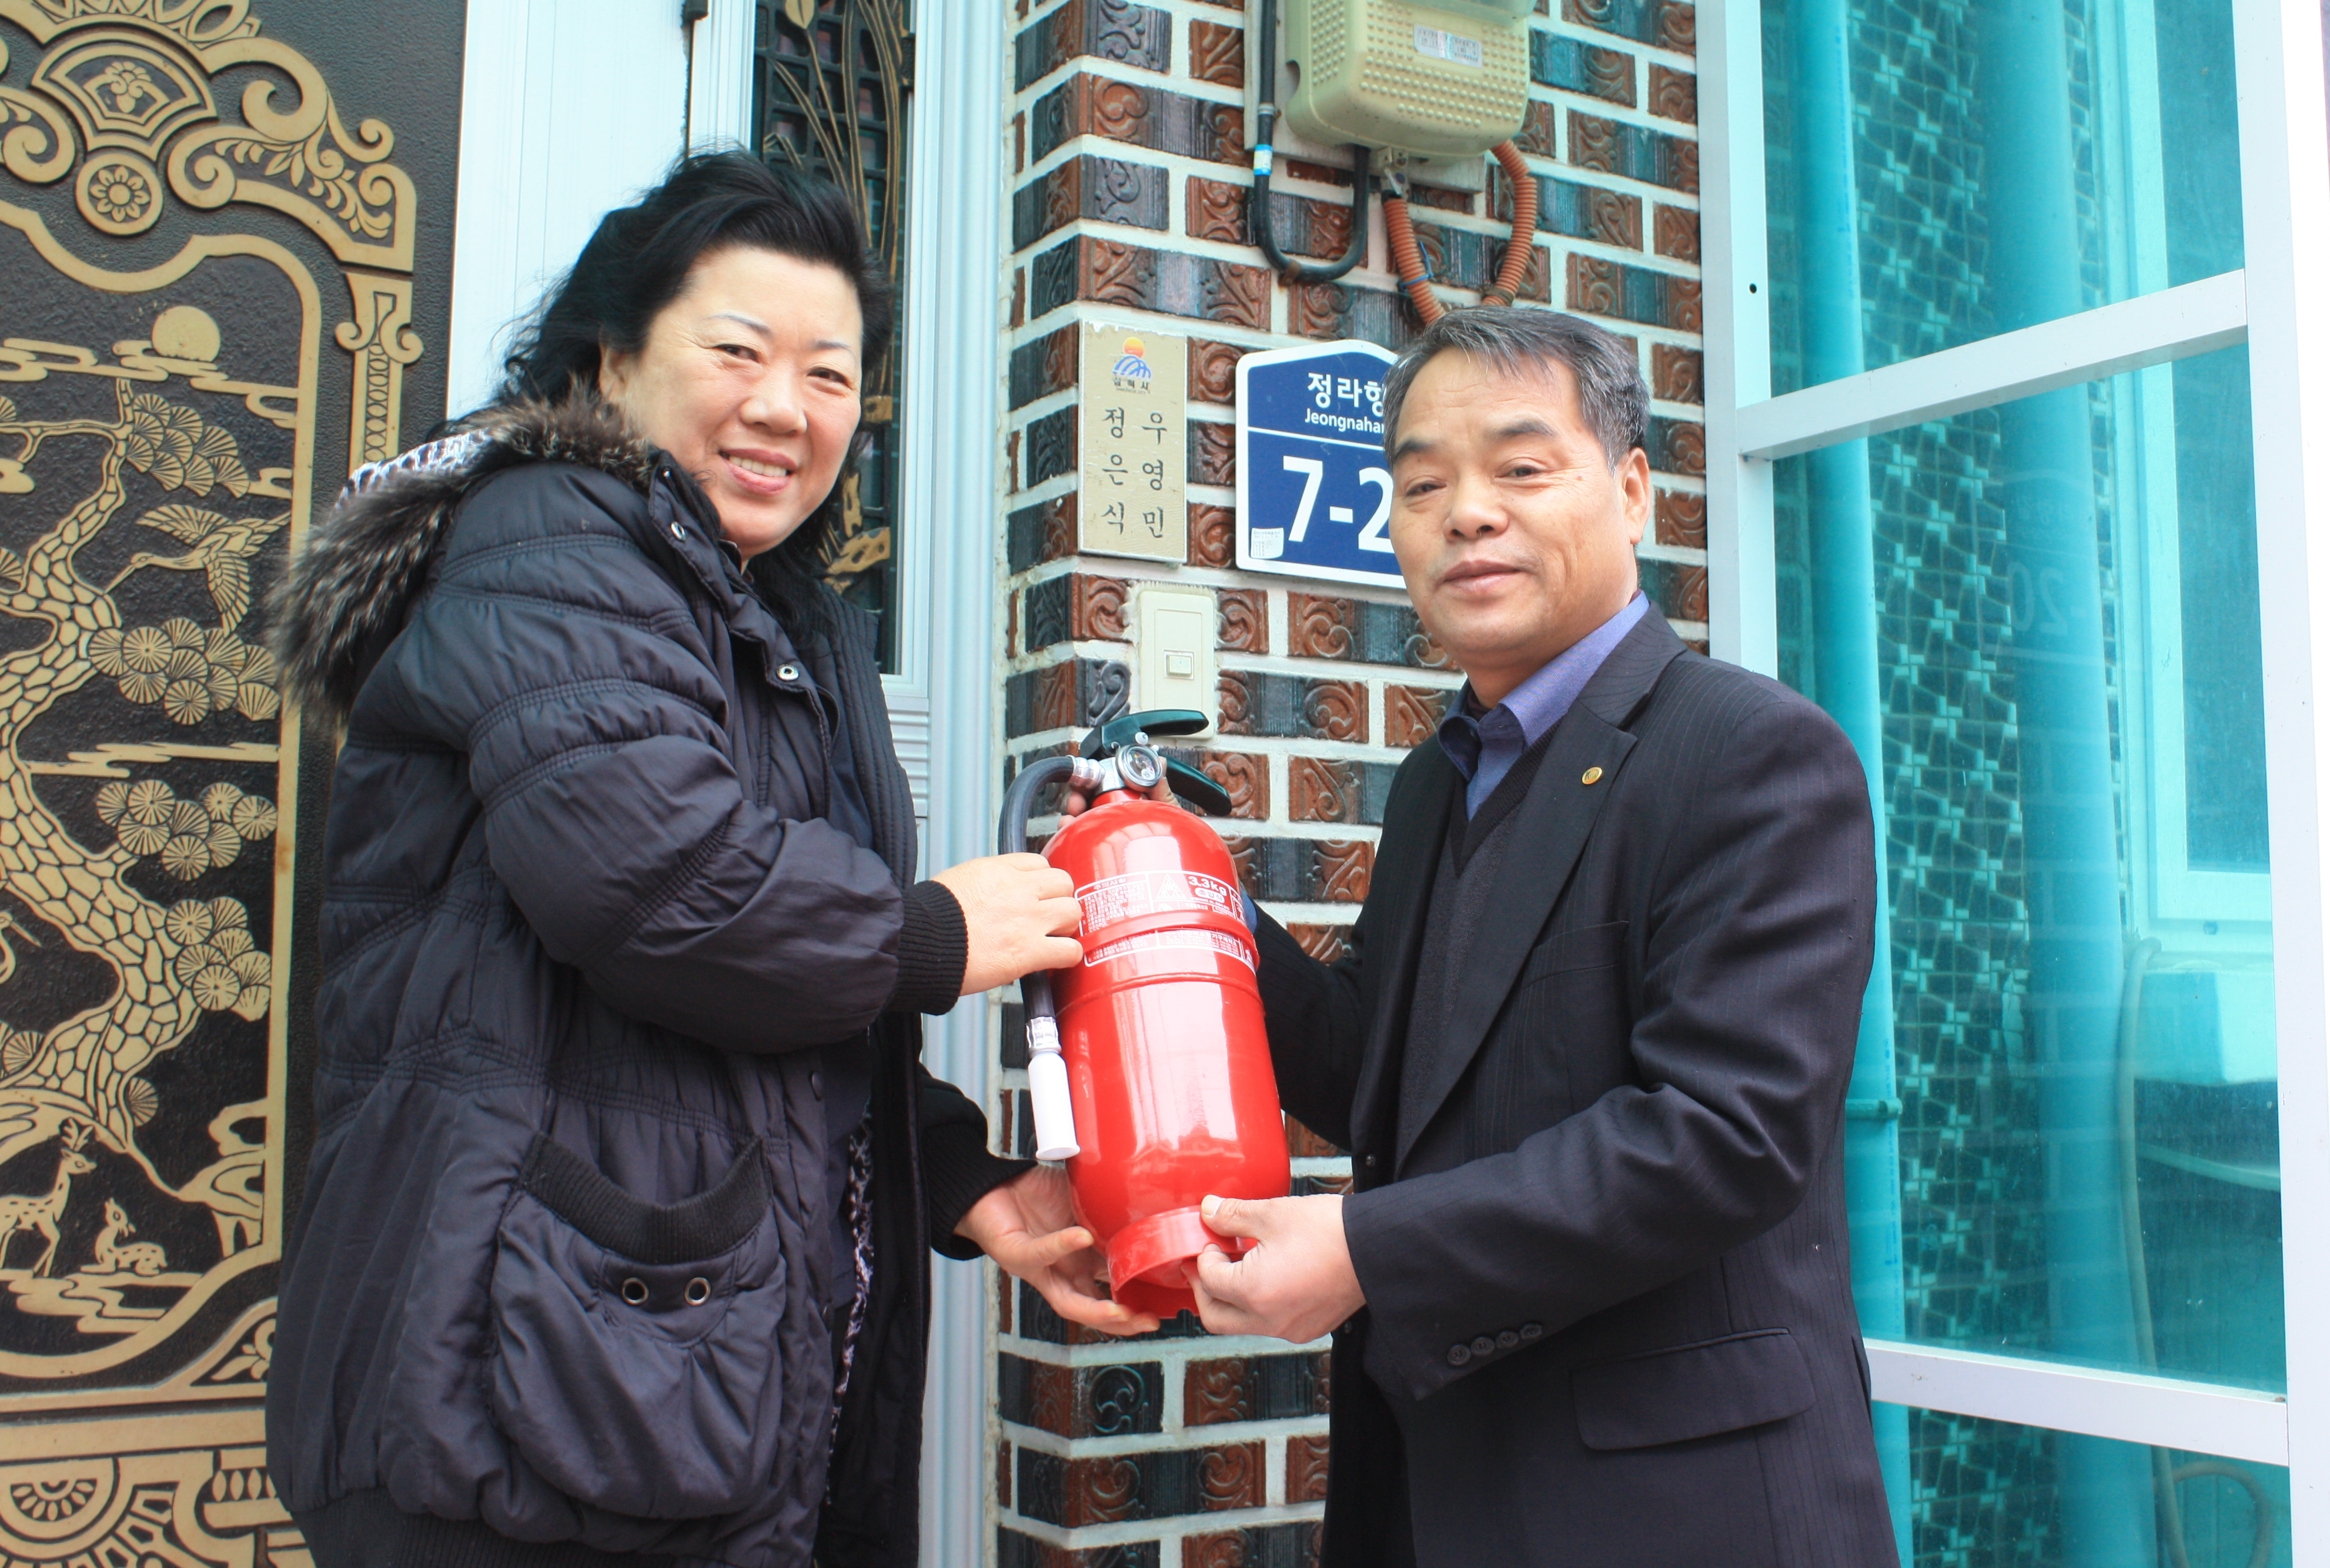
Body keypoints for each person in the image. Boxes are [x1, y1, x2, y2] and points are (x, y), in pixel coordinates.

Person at [265, 152, 1153, 1568]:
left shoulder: (765, 615)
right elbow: (663, 888)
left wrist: (962, 1177)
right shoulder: (553, 537)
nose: (784, 408)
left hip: (629, 1370)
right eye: (737, 351)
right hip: (520, 1396)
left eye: (829, 374)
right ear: (610, 359)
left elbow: (757, 1023)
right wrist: (931, 933)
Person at [1184, 307, 1899, 1566]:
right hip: (1437, 1490)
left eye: (1521, 467)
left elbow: (1723, 1134)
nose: (1468, 513)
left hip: (1674, 1514)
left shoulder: (1751, 754)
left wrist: (1364, 1250)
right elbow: (1376, 1074)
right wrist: (1193, 901)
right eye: (1423, 485)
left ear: (1632, 492)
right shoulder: (1437, 782)